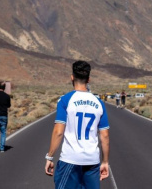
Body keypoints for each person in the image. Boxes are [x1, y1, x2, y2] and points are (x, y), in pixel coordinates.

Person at [45, 60, 110, 189]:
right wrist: (105, 161)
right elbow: (105, 136)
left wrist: (50, 157)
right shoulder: (99, 103)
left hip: (70, 160)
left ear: (72, 77)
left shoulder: (65, 100)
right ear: (89, 79)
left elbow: (58, 132)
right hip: (92, 161)